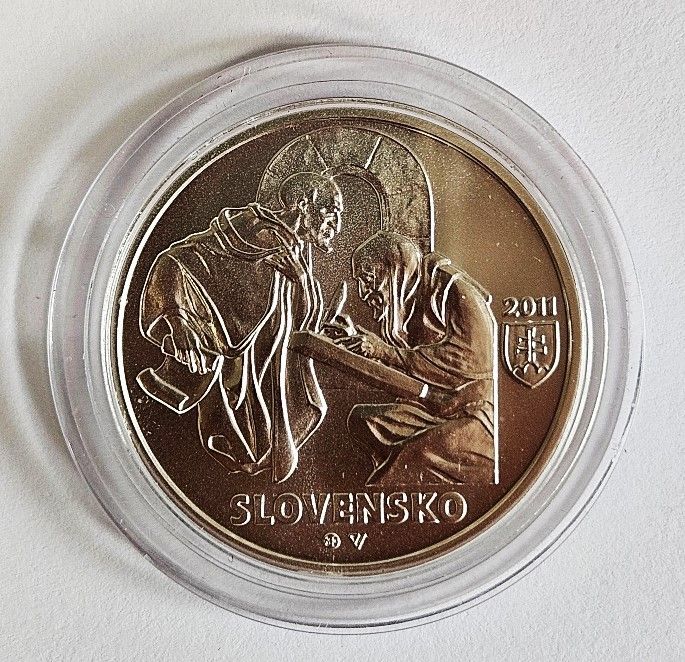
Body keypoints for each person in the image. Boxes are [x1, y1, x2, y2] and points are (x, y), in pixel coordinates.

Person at [138, 172, 344, 483]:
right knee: (241, 438)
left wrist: (302, 281)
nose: (336, 226)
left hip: (269, 368)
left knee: (270, 434)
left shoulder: (295, 250)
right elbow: (175, 259)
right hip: (233, 367)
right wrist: (177, 318)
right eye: (331, 212)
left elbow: (301, 322)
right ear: (303, 205)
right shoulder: (247, 230)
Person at [338, 230, 496, 485]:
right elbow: (410, 364)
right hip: (436, 406)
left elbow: (471, 360)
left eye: (368, 279)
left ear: (393, 268)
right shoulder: (410, 301)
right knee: (362, 421)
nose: (364, 293)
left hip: (476, 410)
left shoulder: (452, 289)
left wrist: (382, 351)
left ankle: (389, 488)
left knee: (412, 456)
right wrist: (358, 341)